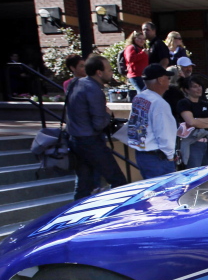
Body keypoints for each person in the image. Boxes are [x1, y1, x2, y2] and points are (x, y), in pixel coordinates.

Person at [67, 54, 127, 200]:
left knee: (83, 185)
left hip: (75, 139)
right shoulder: (93, 90)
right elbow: (99, 123)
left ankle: (76, 218)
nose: (111, 72)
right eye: (109, 70)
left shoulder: (76, 83)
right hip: (90, 141)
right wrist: (107, 114)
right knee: (119, 181)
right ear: (99, 72)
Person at [127, 64, 177, 178]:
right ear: (160, 80)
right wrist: (170, 157)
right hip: (158, 157)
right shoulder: (159, 103)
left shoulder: (139, 98)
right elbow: (164, 134)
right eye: (167, 77)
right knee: (165, 193)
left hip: (142, 154)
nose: (169, 80)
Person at [177, 74, 208, 168]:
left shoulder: (204, 103)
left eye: (199, 86)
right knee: (194, 174)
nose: (199, 89)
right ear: (186, 90)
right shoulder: (183, 103)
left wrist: (197, 120)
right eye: (195, 87)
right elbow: (191, 122)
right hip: (193, 143)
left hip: (207, 143)